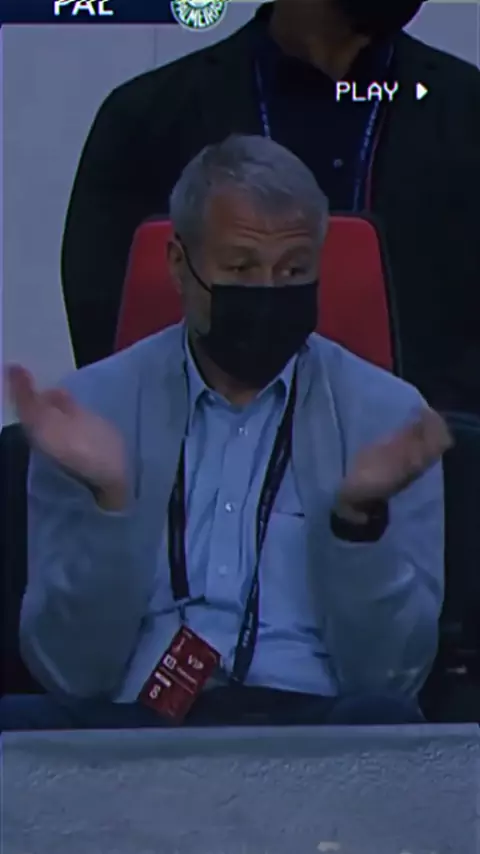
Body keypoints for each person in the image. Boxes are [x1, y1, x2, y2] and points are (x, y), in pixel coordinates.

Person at [1, 135, 450, 731]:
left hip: (314, 728)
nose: (268, 292)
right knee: (23, 727)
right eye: (240, 269)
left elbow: (392, 678)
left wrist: (357, 523)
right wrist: (112, 507)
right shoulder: (92, 411)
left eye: (294, 271)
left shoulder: (387, 419)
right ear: (179, 265)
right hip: (135, 726)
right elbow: (69, 673)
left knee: (385, 722)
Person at [61, 0, 480, 413]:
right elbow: (107, 319)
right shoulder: (147, 118)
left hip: (429, 440)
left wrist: (424, 428)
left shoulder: (467, 110)